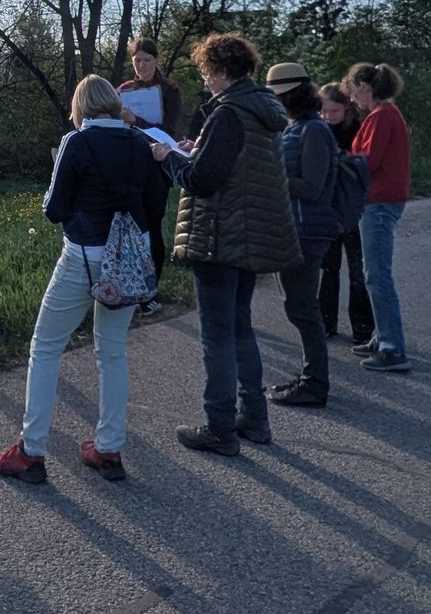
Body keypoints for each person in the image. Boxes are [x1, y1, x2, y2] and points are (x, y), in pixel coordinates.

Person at [0, 76, 167, 484]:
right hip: (128, 257)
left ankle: (31, 451)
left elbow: (54, 208)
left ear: (81, 107)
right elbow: (156, 201)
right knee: (112, 351)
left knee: (46, 347)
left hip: (85, 254)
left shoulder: (76, 142)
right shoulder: (138, 142)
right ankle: (108, 448)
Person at [148, 33, 303, 456]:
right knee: (240, 329)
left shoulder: (228, 113)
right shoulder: (261, 111)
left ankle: (219, 426)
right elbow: (232, 165)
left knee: (217, 337)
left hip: (219, 237)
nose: (205, 79)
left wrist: (169, 158)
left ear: (220, 71)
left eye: (206, 71)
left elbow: (203, 180)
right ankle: (254, 417)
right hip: (248, 235)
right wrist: (195, 150)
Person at [261, 62, 339, 407]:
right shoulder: (296, 128)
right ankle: (310, 377)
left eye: (277, 97)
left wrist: (272, 177)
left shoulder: (315, 131)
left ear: (290, 96)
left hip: (308, 230)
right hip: (293, 228)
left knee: (303, 308)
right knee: (298, 307)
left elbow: (312, 186)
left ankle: (315, 383)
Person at [343, 62, 413, 373]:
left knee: (377, 275)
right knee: (374, 273)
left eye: (354, 91)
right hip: (381, 200)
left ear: (365, 88)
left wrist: (341, 160)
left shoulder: (382, 116)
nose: (352, 98)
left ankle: (392, 347)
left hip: (380, 201)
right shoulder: (384, 114)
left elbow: (368, 162)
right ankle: (381, 336)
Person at [116, 37, 183, 317]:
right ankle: (131, 285)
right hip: (130, 165)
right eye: (137, 60)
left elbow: (169, 131)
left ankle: (151, 290)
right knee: (132, 226)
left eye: (147, 60)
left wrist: (137, 121)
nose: (142, 65)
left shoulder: (169, 89)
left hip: (158, 167)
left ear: (156, 60)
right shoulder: (124, 90)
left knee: (152, 225)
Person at [318, 84, 374, 344]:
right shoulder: (319, 130)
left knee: (357, 270)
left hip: (352, 208)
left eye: (334, 111)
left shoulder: (358, 130)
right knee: (329, 268)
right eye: (325, 111)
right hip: (328, 208)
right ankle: (325, 322)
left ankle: (362, 328)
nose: (329, 116)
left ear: (347, 109)